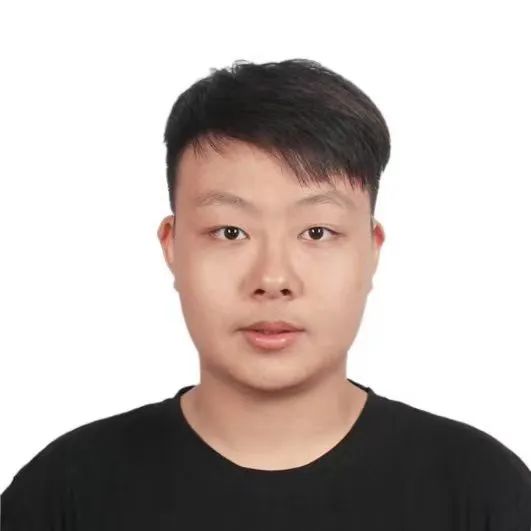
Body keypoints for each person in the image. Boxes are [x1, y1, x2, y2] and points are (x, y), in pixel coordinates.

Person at [1, 58, 530, 530]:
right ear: (171, 246)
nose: (273, 278)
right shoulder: (64, 494)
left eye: (316, 232)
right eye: (230, 232)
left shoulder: (482, 491)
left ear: (371, 250)